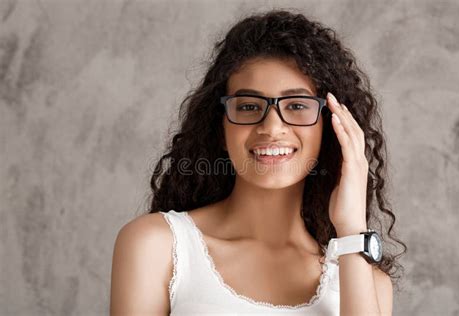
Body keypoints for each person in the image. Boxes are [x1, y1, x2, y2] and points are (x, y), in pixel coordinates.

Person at [110, 9, 406, 316]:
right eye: (249, 106)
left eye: (296, 105)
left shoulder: (367, 283)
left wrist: (351, 230)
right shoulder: (156, 246)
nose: (272, 127)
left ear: (330, 128)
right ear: (220, 128)